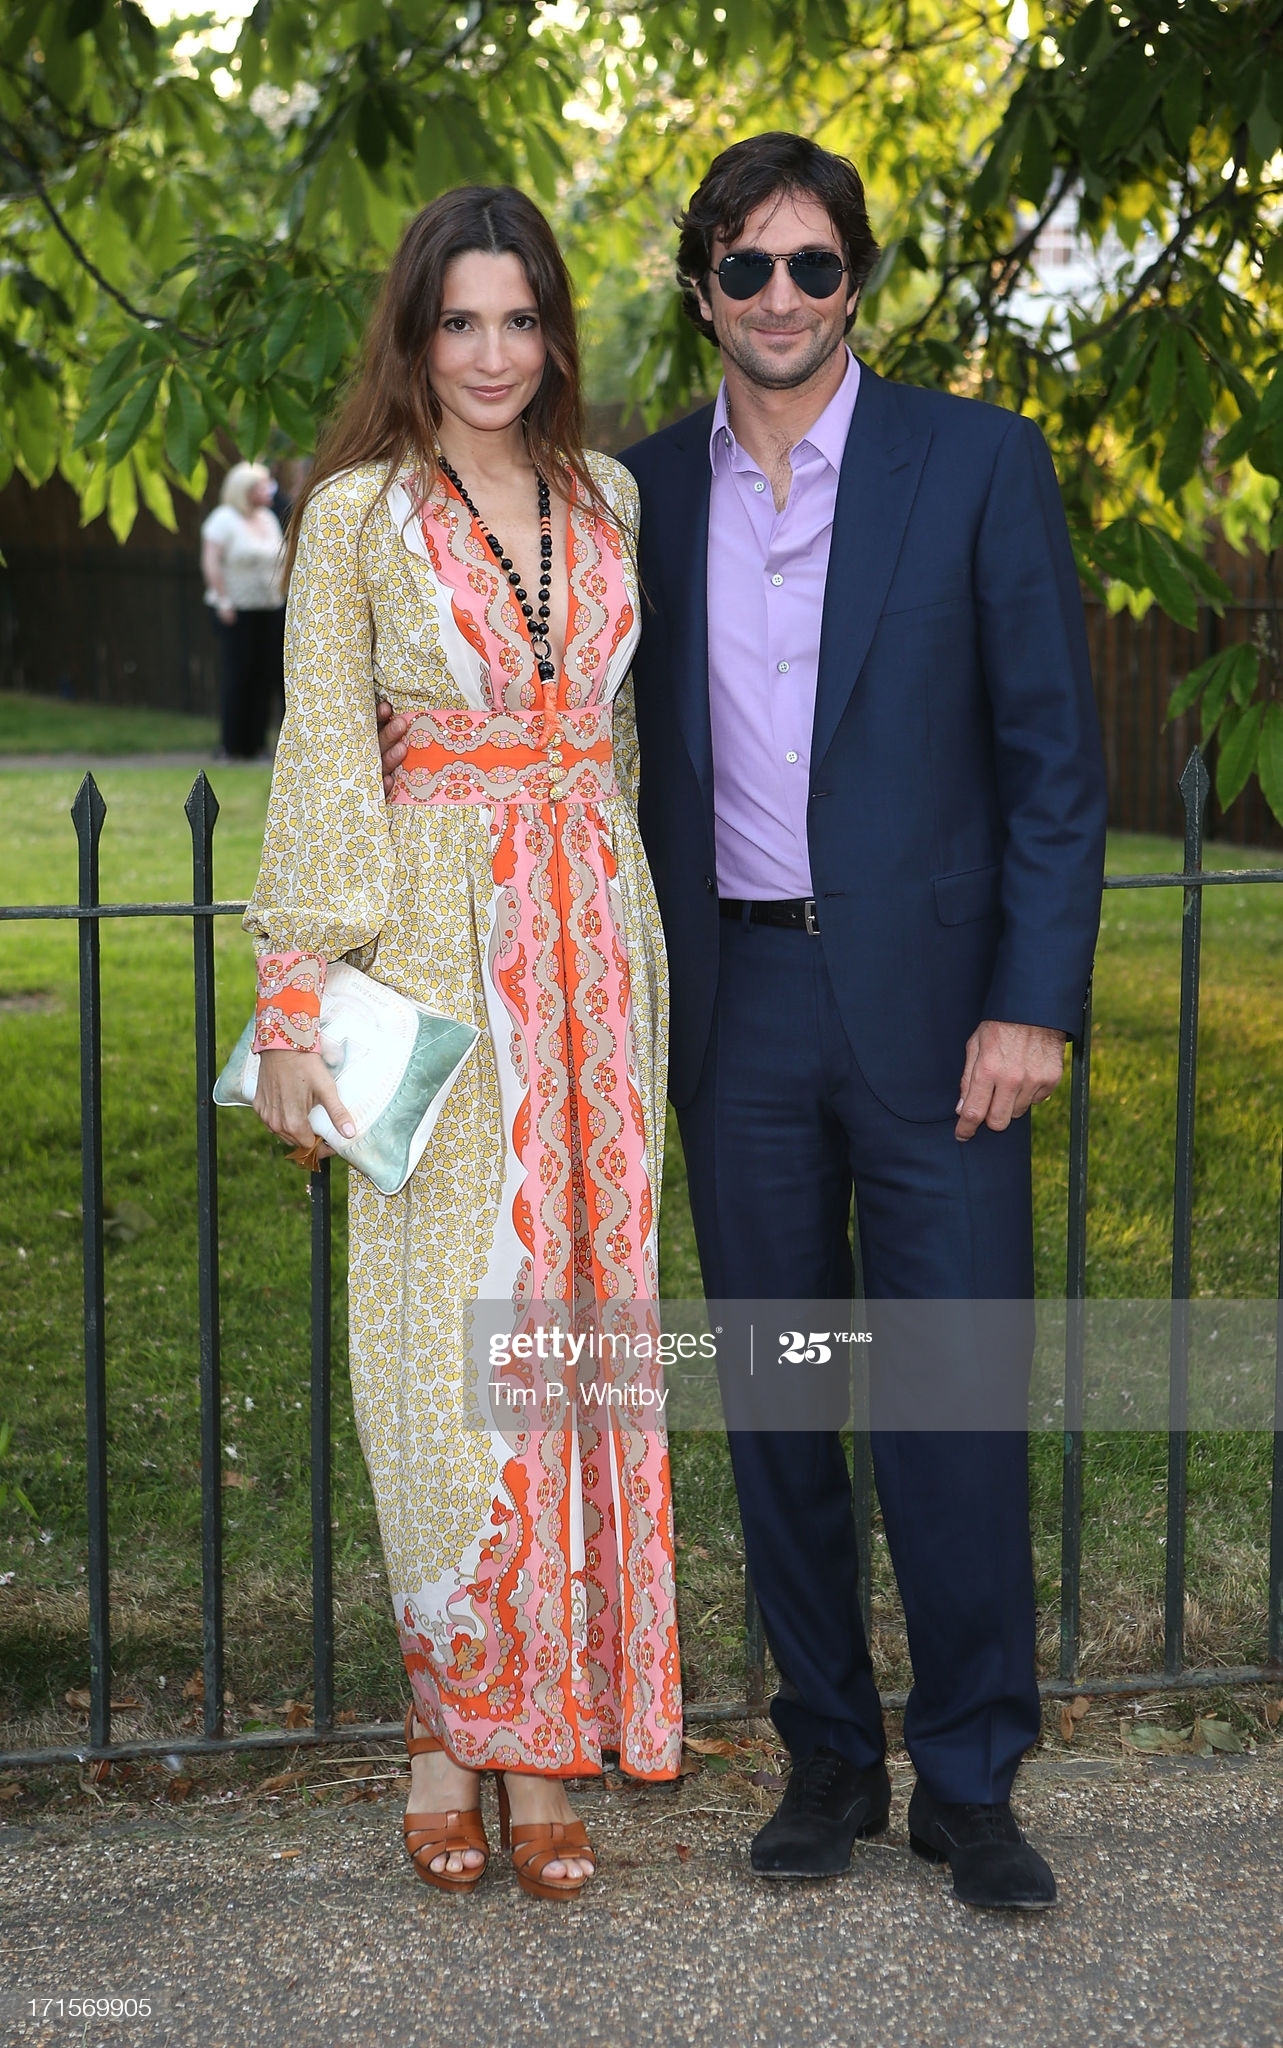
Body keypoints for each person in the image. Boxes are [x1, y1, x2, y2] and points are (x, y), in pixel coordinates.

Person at [381, 133, 1109, 1914]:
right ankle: (826, 1758)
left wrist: (1029, 1002)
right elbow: (548, 735)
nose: (780, 297)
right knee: (783, 1413)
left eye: (812, 265)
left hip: (942, 1022)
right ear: (701, 290)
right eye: (746, 267)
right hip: (733, 1015)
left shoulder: (976, 465)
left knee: (948, 1408)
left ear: (852, 281)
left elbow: (1053, 763)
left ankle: (969, 1780)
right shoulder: (629, 500)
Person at [244, 185, 682, 1902]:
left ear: (553, 330)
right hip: (437, 960)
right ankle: (452, 1729)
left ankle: (546, 1742)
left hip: (598, 973)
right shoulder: (357, 514)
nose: (492, 354)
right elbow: (320, 760)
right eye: (459, 322)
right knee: (442, 1361)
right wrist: (297, 1002)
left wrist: (612, 923)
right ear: (415, 336)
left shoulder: (608, 497)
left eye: (518, 318)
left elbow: (618, 747)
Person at [200, 461, 286, 759]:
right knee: (239, 674)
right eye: (262, 486)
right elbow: (211, 562)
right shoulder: (223, 520)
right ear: (245, 490)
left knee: (265, 675)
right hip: (236, 610)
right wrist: (223, 600)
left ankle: (257, 744)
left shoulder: (268, 518)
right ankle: (231, 744)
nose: (269, 491)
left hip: (269, 607)